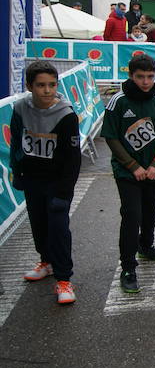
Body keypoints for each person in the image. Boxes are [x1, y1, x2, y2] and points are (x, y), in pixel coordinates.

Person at [100, 54, 155, 294]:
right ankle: (128, 268)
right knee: (132, 215)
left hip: (154, 170)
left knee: (151, 210)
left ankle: (146, 246)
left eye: (150, 77)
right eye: (140, 77)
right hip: (127, 172)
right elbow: (111, 138)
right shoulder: (118, 101)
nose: (145, 81)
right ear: (131, 76)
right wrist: (133, 166)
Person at [10, 61, 81, 305]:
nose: (47, 90)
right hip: (33, 179)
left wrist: (65, 190)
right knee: (38, 224)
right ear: (30, 86)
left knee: (58, 228)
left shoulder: (66, 114)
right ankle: (46, 261)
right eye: (41, 85)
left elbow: (73, 158)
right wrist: (16, 171)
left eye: (52, 85)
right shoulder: (20, 108)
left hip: (57, 181)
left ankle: (63, 279)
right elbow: (16, 142)